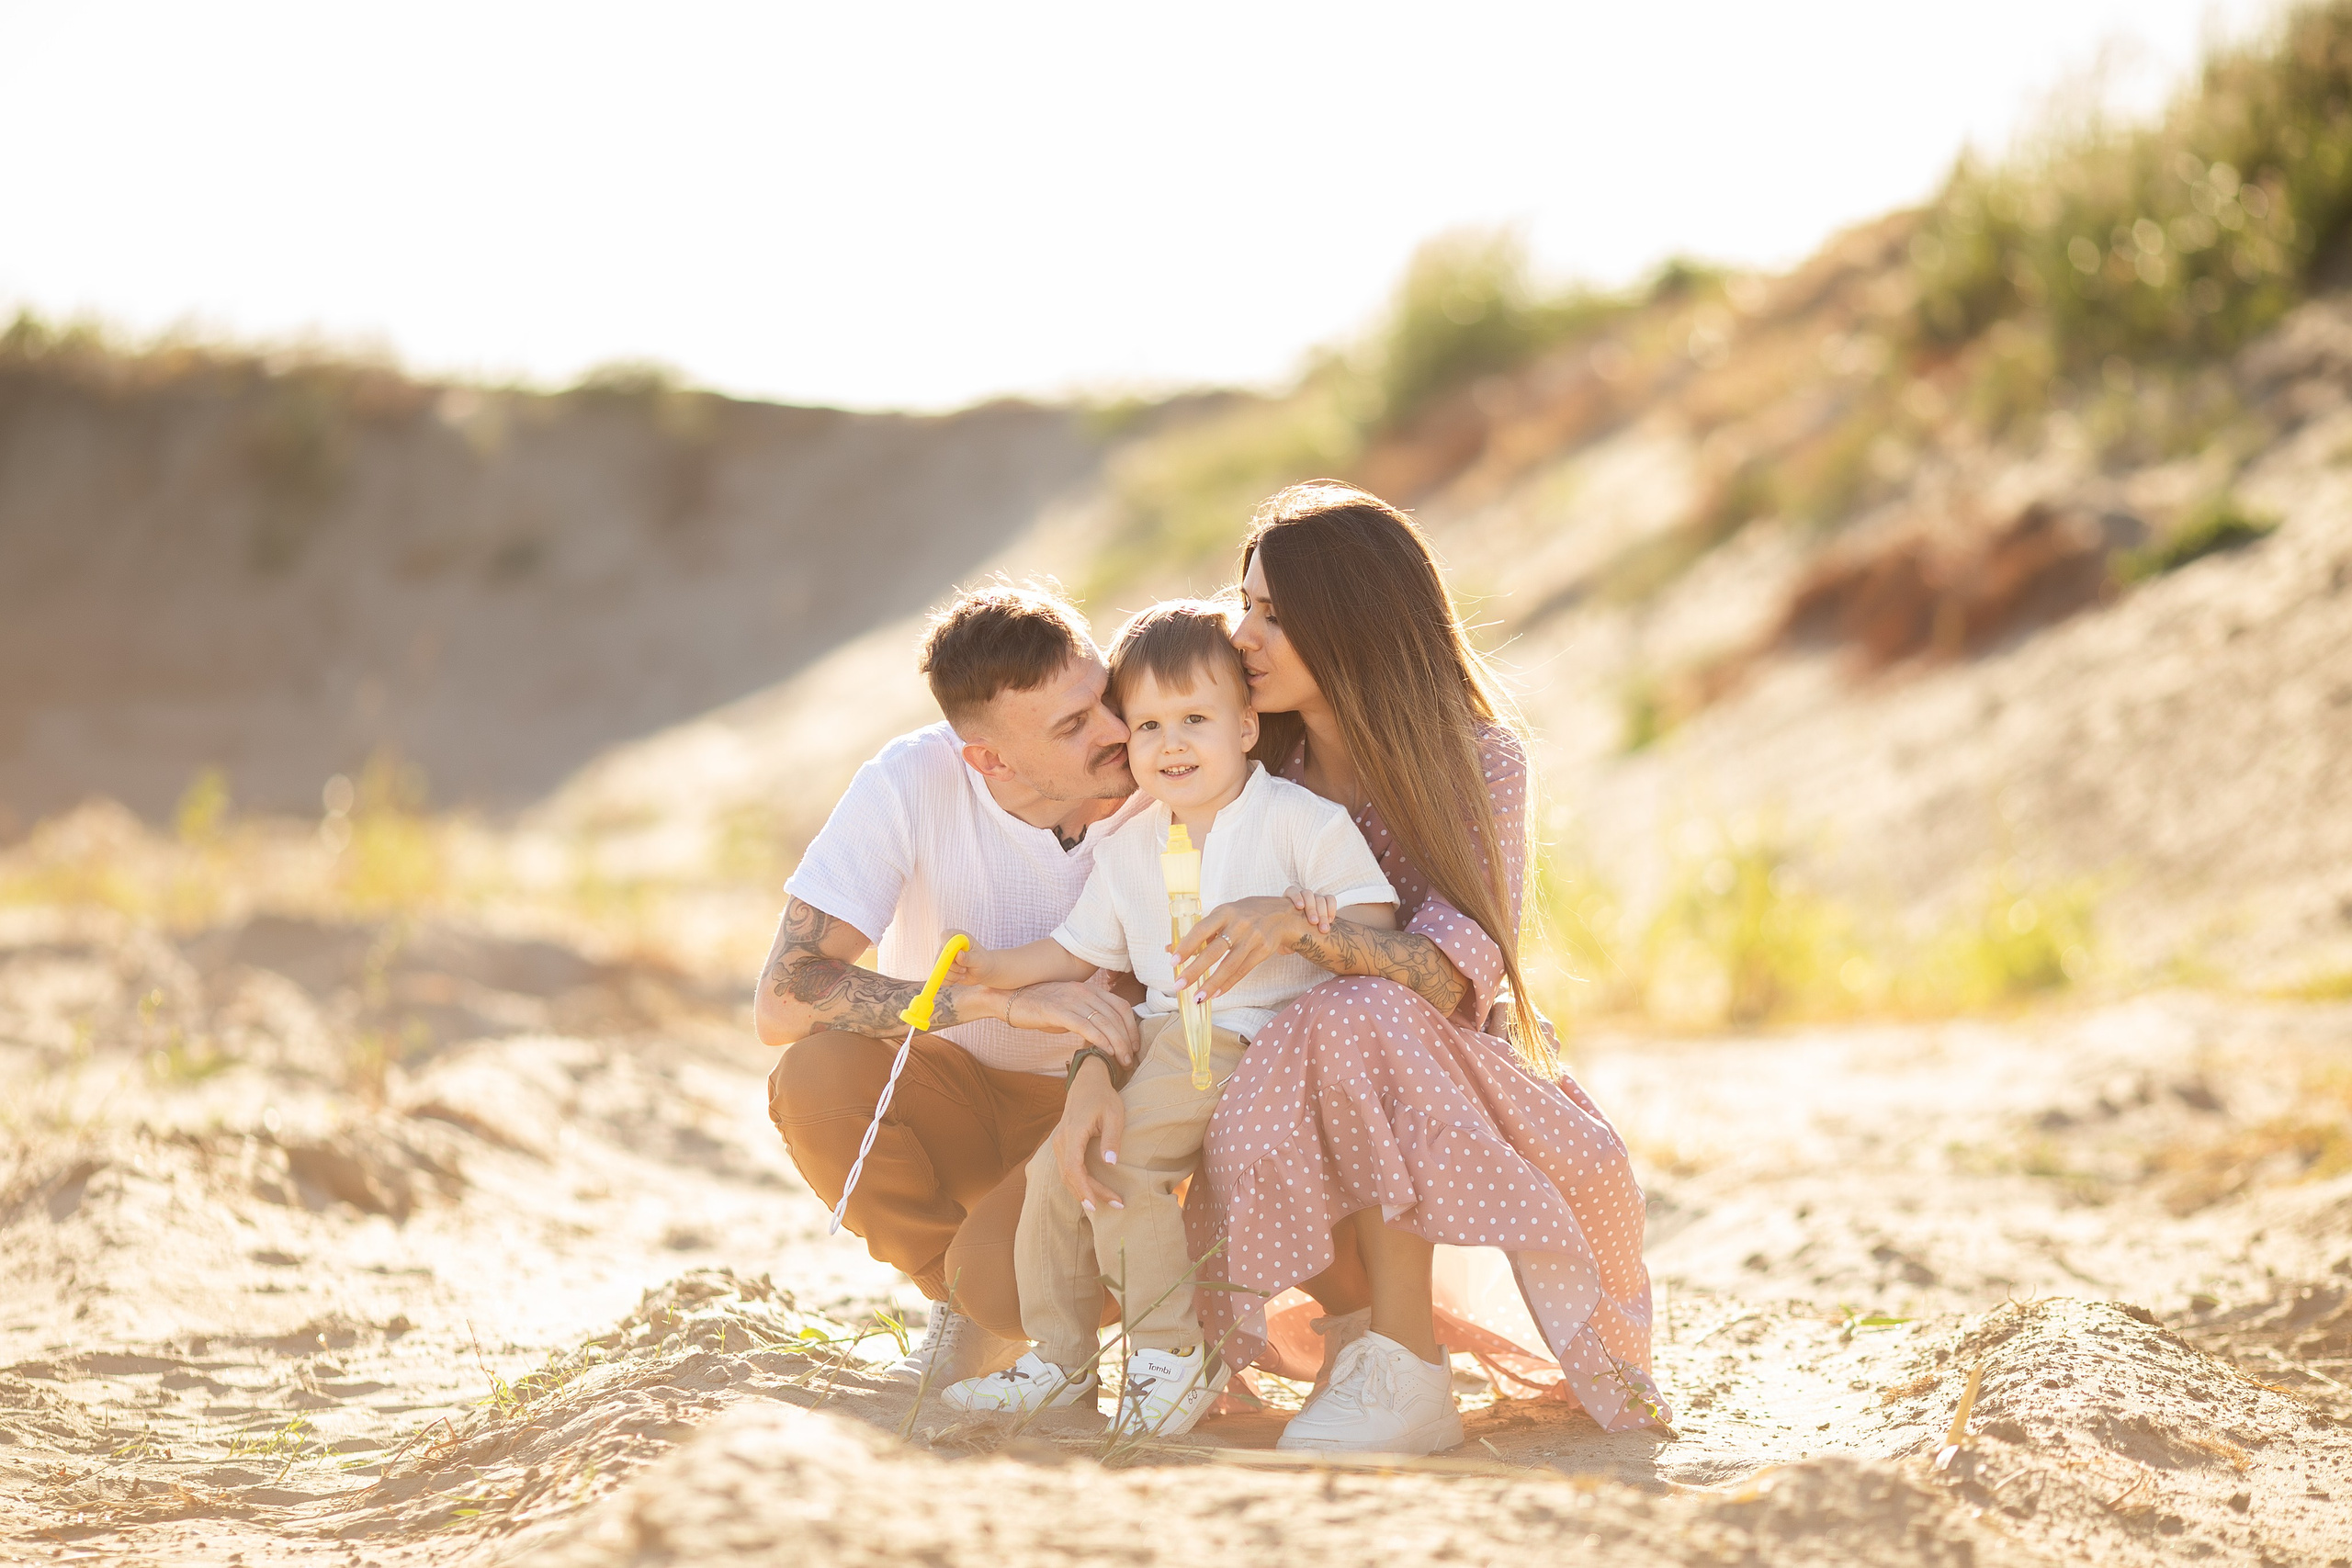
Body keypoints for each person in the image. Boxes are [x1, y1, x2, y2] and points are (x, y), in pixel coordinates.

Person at [1085, 480, 1670, 1452]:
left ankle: (1407, 1368)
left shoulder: (1477, 761)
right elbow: (1131, 904)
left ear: (1350, 619)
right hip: (1252, 1060)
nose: (1242, 635)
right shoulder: (1241, 755)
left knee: (1359, 1013)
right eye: (1246, 605)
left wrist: (1300, 931)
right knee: (1263, 1056)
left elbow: (1452, 974)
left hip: (1432, 1062)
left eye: (1275, 615)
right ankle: (1360, 1338)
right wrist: (1085, 1073)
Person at [934, 601, 1396, 1437]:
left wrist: (1311, 918)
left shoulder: (1299, 821)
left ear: (1246, 726)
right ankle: (1061, 1358)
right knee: (1057, 1171)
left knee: (1121, 1164)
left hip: (1246, 1034)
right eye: (1148, 725)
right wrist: (995, 968)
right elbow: (1076, 949)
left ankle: (1170, 1355)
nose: (1171, 743)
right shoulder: (1130, 845)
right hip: (1155, 1035)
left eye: (1195, 720)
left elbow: (1378, 926)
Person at [753, 583, 1154, 1389]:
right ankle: (968, 1310)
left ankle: (1024, 1302)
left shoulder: (1166, 767)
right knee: (813, 1078)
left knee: (1006, 1280)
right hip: (959, 1094)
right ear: (990, 760)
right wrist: (995, 1003)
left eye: (1103, 695)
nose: (1117, 730)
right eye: (1073, 725)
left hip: (1105, 1108)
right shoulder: (910, 780)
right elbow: (783, 998)